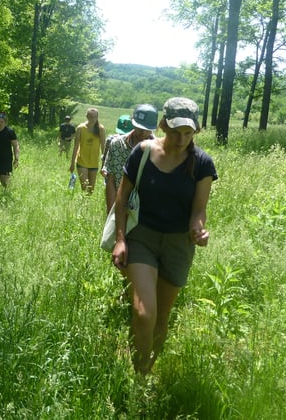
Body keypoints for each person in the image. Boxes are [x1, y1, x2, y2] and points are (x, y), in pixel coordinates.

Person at [110, 97, 216, 375]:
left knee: (161, 318)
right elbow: (121, 200)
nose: (181, 139)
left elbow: (199, 211)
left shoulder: (202, 163)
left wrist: (199, 229)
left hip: (178, 244)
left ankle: (147, 370)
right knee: (145, 313)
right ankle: (139, 375)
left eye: (188, 133)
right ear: (162, 125)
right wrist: (121, 240)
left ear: (195, 131)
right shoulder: (143, 152)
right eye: (175, 131)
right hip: (142, 237)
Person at [102, 104, 157, 213]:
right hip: (120, 205)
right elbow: (110, 178)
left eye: (146, 129)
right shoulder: (117, 144)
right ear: (133, 123)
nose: (142, 132)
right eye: (139, 127)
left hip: (146, 211)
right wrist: (111, 212)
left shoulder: (157, 148)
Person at [69, 107, 106, 192]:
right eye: (91, 117)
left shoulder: (101, 129)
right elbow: (76, 146)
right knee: (84, 187)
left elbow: (103, 147)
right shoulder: (80, 128)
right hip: (82, 161)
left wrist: (104, 164)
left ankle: (86, 203)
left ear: (97, 117)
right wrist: (72, 163)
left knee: (91, 189)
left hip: (94, 163)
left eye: (95, 117)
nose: (93, 119)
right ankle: (82, 203)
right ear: (87, 117)